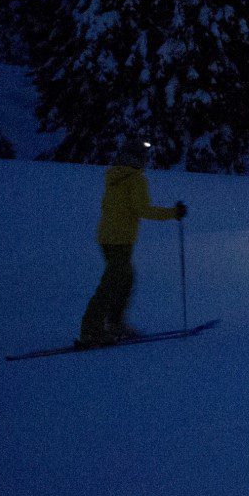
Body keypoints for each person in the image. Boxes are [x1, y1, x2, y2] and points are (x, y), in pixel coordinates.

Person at [79, 140, 186, 348]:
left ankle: (114, 324)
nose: (146, 161)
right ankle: (92, 331)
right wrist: (173, 213)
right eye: (144, 157)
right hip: (120, 240)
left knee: (124, 279)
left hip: (107, 238)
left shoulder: (114, 175)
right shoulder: (135, 179)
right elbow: (143, 210)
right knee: (112, 283)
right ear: (138, 159)